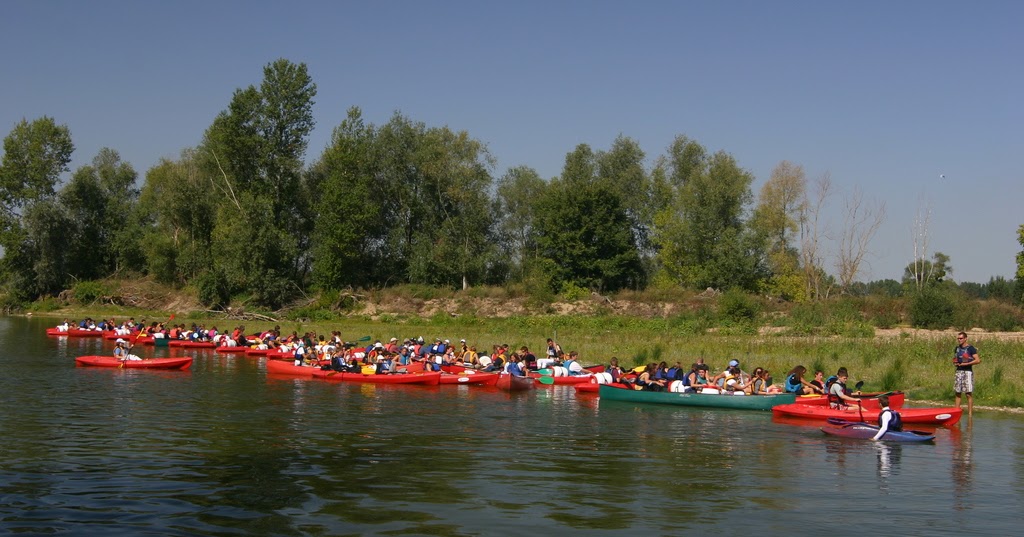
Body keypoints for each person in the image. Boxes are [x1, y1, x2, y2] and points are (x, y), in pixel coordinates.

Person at [954, 331, 981, 415]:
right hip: (959, 371)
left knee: (968, 393)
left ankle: (970, 414)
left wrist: (967, 363)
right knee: (958, 392)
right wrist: (955, 362)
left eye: (961, 338)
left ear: (965, 338)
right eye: (958, 338)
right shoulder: (957, 348)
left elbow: (978, 360)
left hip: (967, 372)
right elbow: (955, 358)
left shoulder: (971, 348)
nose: (959, 340)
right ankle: (956, 412)